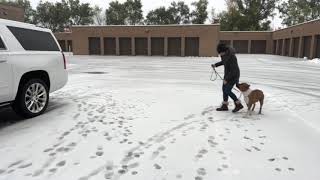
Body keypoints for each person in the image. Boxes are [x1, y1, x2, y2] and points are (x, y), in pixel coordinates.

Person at [212, 43, 243, 112]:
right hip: (227, 75)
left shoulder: (232, 57)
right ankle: (225, 106)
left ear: (224, 51)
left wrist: (226, 79)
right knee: (224, 90)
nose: (220, 55)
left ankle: (238, 104)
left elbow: (234, 70)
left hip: (234, 76)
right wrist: (215, 65)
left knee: (227, 90)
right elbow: (224, 62)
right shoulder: (225, 55)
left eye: (220, 53)